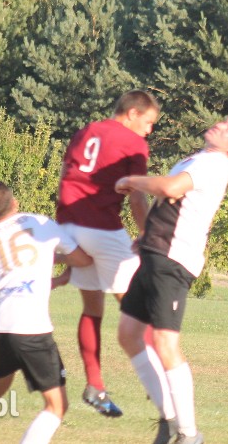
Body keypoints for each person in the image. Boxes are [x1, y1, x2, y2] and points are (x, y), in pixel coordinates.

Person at [115, 113, 228, 444]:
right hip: (156, 253)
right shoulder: (197, 159)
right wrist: (145, 233)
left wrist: (134, 180)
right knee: (129, 334)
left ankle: (189, 434)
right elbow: (169, 199)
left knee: (166, 343)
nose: (221, 124)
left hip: (173, 260)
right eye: (225, 120)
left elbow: (169, 187)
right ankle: (168, 419)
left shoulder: (216, 163)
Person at [0, 180, 94, 444]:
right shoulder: (40, 222)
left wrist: (57, 280)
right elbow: (82, 259)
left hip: (1, 327)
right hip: (32, 330)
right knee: (56, 404)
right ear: (14, 202)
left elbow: (18, 279)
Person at [55, 89, 160, 417]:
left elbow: (64, 177)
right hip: (100, 225)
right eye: (148, 122)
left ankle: (95, 386)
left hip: (69, 222)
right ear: (131, 114)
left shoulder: (86, 130)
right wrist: (146, 235)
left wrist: (68, 236)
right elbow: (138, 197)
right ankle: (161, 383)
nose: (149, 130)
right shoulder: (133, 143)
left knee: (92, 306)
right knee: (139, 308)